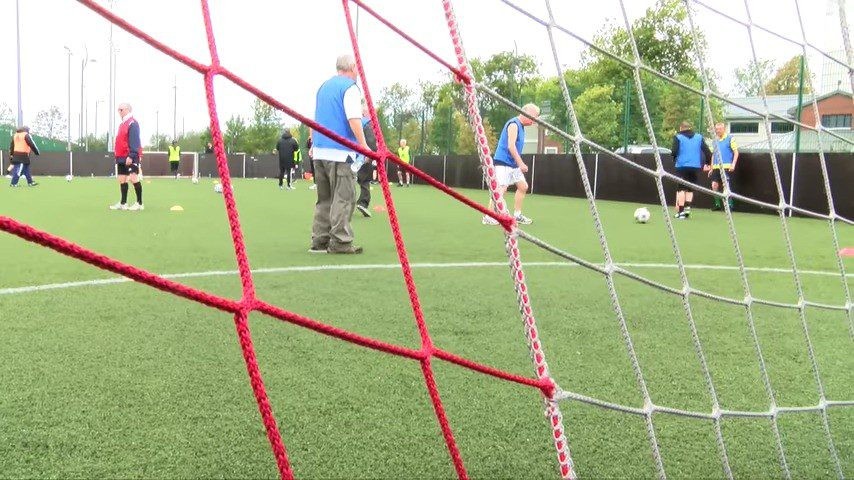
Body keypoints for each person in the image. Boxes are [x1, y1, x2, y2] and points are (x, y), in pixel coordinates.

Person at [309, 54, 369, 254]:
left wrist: (313, 144)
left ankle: (319, 240)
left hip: (319, 152)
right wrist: (364, 146)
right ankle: (341, 242)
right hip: (340, 153)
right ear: (352, 67)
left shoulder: (323, 87)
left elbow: (314, 119)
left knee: (324, 198)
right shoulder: (350, 88)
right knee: (344, 197)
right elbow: (354, 119)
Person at [482, 103, 540, 225]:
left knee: (523, 186)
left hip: (513, 164)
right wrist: (521, 163)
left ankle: (517, 215)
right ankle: (488, 216)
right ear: (526, 113)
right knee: (500, 189)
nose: (534, 121)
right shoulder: (514, 124)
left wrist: (517, 164)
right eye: (534, 118)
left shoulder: (522, 126)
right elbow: (511, 146)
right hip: (503, 162)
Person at [670, 120, 712, 219]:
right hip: (695, 166)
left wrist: (674, 158)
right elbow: (708, 152)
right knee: (690, 188)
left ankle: (681, 212)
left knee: (681, 188)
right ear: (690, 128)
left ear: (681, 128)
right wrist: (707, 163)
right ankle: (687, 209)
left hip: (682, 166)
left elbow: (674, 151)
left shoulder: (678, 137)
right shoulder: (699, 137)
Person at [110, 102, 144, 211]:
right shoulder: (122, 124)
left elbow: (135, 140)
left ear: (128, 110)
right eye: (118, 110)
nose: (119, 112)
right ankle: (123, 203)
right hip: (120, 156)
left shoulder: (132, 123)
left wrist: (132, 155)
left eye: (121, 109)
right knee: (122, 179)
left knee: (133, 178)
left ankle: (139, 203)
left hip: (130, 156)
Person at [356, 102, 379, 218]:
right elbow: (371, 142)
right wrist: (370, 155)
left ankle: (344, 204)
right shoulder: (369, 124)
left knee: (347, 181)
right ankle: (363, 203)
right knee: (365, 181)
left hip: (350, 157)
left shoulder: (355, 122)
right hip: (363, 158)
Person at [710, 122, 739, 211]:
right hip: (716, 167)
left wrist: (733, 164)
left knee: (726, 185)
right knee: (714, 185)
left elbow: (736, 152)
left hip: (726, 167)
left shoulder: (730, 138)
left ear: (724, 129)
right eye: (716, 129)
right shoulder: (714, 141)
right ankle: (717, 204)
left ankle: (730, 205)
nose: (718, 131)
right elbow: (713, 154)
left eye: (719, 129)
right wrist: (711, 167)